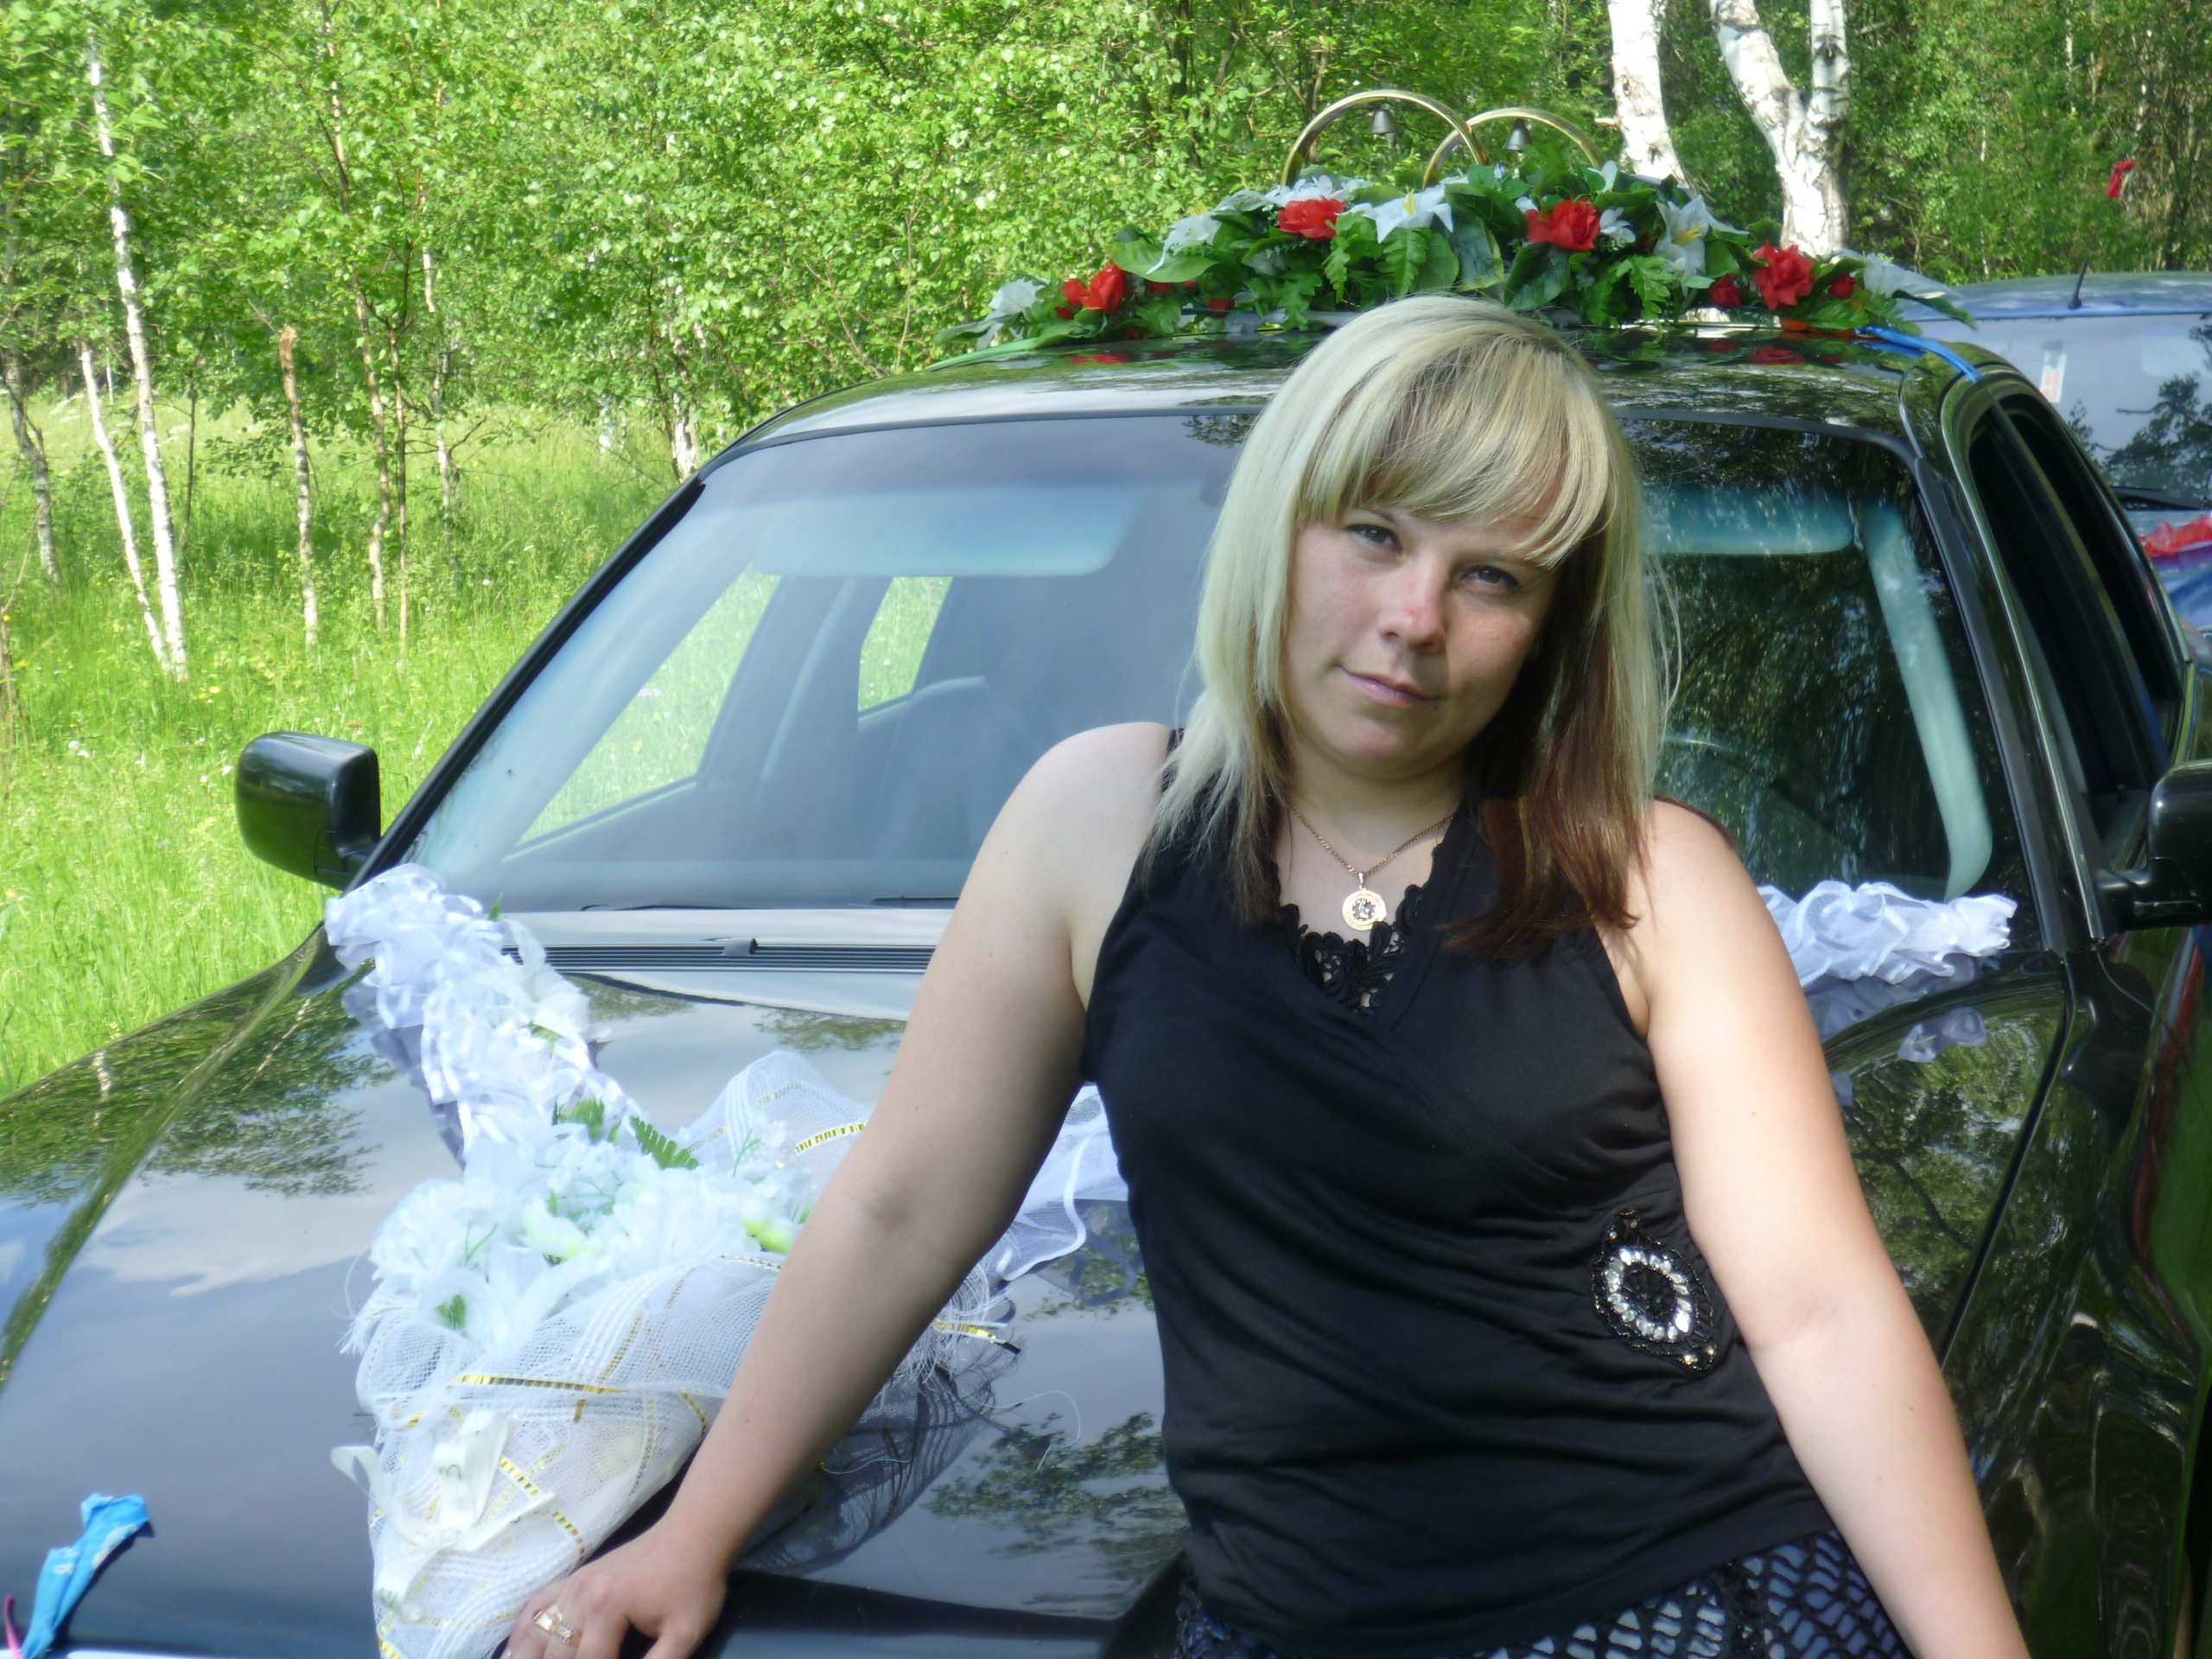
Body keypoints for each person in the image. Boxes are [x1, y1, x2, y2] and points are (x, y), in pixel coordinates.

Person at [505, 296, 2031, 1659]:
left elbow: (1822, 1312)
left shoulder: (1648, 877)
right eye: (1373, 535)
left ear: (1548, 630)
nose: (1413, 619)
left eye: (1492, 577)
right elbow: (901, 1211)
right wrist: (692, 1536)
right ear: (1279, 525)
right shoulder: (1098, 826)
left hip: (1677, 1599)